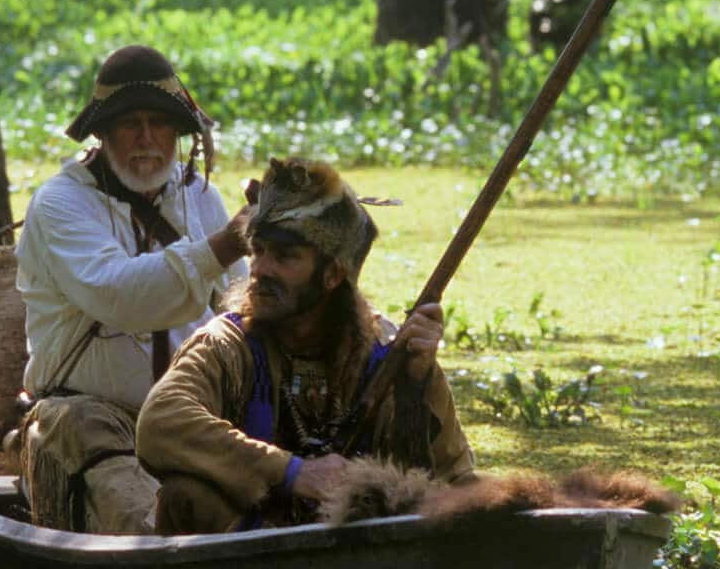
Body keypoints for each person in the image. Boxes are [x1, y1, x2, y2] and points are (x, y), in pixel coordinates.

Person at [137, 157, 474, 534]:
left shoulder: (387, 355)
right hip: (245, 543)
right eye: (259, 251)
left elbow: (455, 476)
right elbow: (160, 421)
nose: (261, 269)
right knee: (187, 496)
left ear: (331, 275)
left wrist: (417, 383)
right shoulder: (228, 343)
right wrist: (292, 471)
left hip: (356, 549)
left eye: (284, 257)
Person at [14, 44, 250, 533]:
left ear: (178, 132)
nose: (146, 138)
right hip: (91, 416)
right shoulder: (61, 203)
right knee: (146, 523)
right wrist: (223, 246)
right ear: (102, 133)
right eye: (129, 124)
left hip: (193, 412)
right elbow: (120, 296)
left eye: (159, 123)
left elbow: (240, 310)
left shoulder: (202, 198)